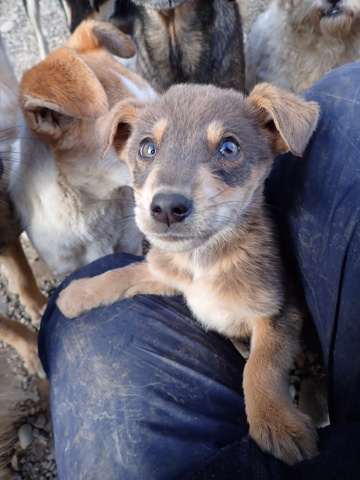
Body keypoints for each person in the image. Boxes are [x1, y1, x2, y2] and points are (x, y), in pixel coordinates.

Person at [39, 62, 360, 480]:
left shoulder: (253, 256)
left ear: (273, 140)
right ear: (122, 144)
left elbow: (278, 316)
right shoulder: (167, 254)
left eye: (227, 149)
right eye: (149, 149)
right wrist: (105, 283)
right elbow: (153, 273)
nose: (169, 200)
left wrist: (263, 390)